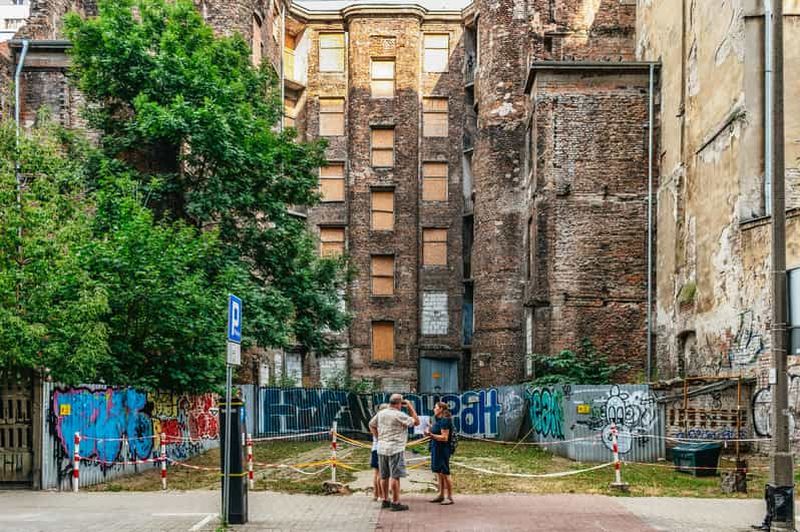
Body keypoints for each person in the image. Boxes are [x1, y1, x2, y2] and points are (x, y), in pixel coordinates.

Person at [369, 393, 420, 511]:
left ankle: (385, 500)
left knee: (384, 476)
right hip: (395, 448)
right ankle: (395, 502)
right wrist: (410, 406)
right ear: (399, 403)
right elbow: (416, 422)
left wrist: (378, 437)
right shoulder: (399, 415)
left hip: (381, 448)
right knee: (395, 476)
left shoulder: (381, 413)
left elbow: (371, 425)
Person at [425, 401, 454, 505]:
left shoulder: (445, 421)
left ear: (441, 409)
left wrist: (431, 435)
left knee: (445, 473)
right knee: (438, 472)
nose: (434, 409)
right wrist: (428, 431)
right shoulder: (437, 420)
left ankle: (449, 497)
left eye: (435, 407)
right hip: (435, 448)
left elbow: (444, 438)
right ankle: (441, 495)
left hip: (443, 449)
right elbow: (434, 431)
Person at [371, 403, 389, 502]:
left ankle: (376, 494)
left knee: (376, 473)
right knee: (381, 474)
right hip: (380, 449)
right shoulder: (381, 422)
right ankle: (381, 495)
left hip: (375, 448)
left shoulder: (376, 421)